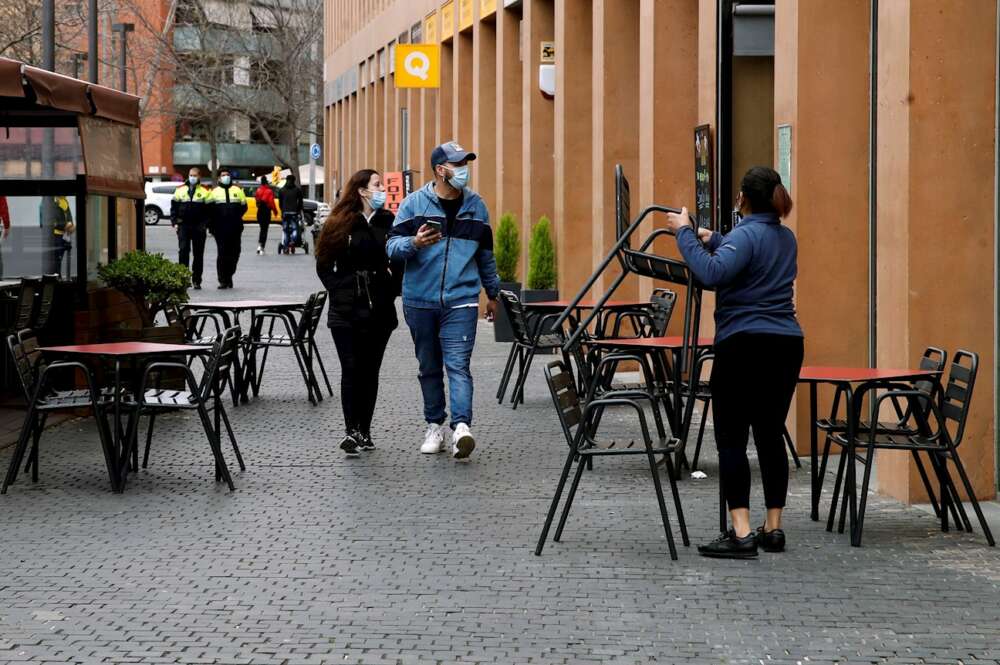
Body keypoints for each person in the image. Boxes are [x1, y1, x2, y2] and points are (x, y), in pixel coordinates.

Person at [665, 166, 804, 560]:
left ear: (743, 198)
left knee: (731, 437)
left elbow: (711, 272)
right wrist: (718, 238)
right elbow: (752, 255)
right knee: (770, 434)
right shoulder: (785, 237)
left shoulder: (745, 235)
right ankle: (772, 528)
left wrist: (685, 234)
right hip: (786, 344)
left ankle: (741, 532)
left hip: (743, 344)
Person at [387, 141, 500, 460]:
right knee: (429, 366)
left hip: (461, 299)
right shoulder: (413, 205)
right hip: (419, 300)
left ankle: (461, 427)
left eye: (465, 163)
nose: (463, 170)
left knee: (459, 366)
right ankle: (434, 425)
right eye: (458, 164)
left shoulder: (477, 206)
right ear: (441, 170)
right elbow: (391, 248)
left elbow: (486, 256)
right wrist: (414, 242)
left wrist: (492, 294)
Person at [315, 169, 402, 457]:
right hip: (346, 310)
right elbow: (324, 265)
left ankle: (365, 430)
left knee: (370, 370)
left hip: (379, 308)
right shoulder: (340, 223)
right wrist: (342, 289)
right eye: (377, 185)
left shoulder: (390, 221)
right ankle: (351, 430)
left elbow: (400, 259)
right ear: (362, 190)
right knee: (351, 368)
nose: (382, 190)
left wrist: (391, 286)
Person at [171, 168, 211, 289]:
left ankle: (197, 280)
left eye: (194, 175)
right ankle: (183, 279)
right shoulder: (180, 190)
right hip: (183, 225)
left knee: (198, 254)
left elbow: (210, 211)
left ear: (199, 176)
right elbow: (174, 208)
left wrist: (205, 224)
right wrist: (175, 222)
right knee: (183, 251)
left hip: (199, 227)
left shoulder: (205, 191)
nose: (192, 177)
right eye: (190, 175)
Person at [208, 169, 247, 289]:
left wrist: (235, 217)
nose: (226, 177)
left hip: (235, 228)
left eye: (227, 175)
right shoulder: (214, 192)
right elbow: (210, 211)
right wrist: (212, 227)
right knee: (222, 254)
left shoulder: (238, 191)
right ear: (219, 178)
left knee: (235, 253)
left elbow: (244, 207)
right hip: (220, 229)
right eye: (223, 175)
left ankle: (229, 275)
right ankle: (223, 280)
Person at [278, 174, 304, 254]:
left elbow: (280, 202)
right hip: (294, 212)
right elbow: (300, 202)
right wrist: (298, 210)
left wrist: (282, 210)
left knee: (285, 230)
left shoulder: (282, 190)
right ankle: (292, 241)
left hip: (285, 212)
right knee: (295, 228)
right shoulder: (297, 190)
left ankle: (286, 248)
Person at [254, 175, 277, 255]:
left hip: (259, 211)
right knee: (264, 230)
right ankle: (261, 246)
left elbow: (256, 201)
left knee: (262, 229)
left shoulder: (258, 190)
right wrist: (275, 211)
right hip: (266, 212)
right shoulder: (269, 191)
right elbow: (271, 203)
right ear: (266, 183)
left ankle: (260, 245)